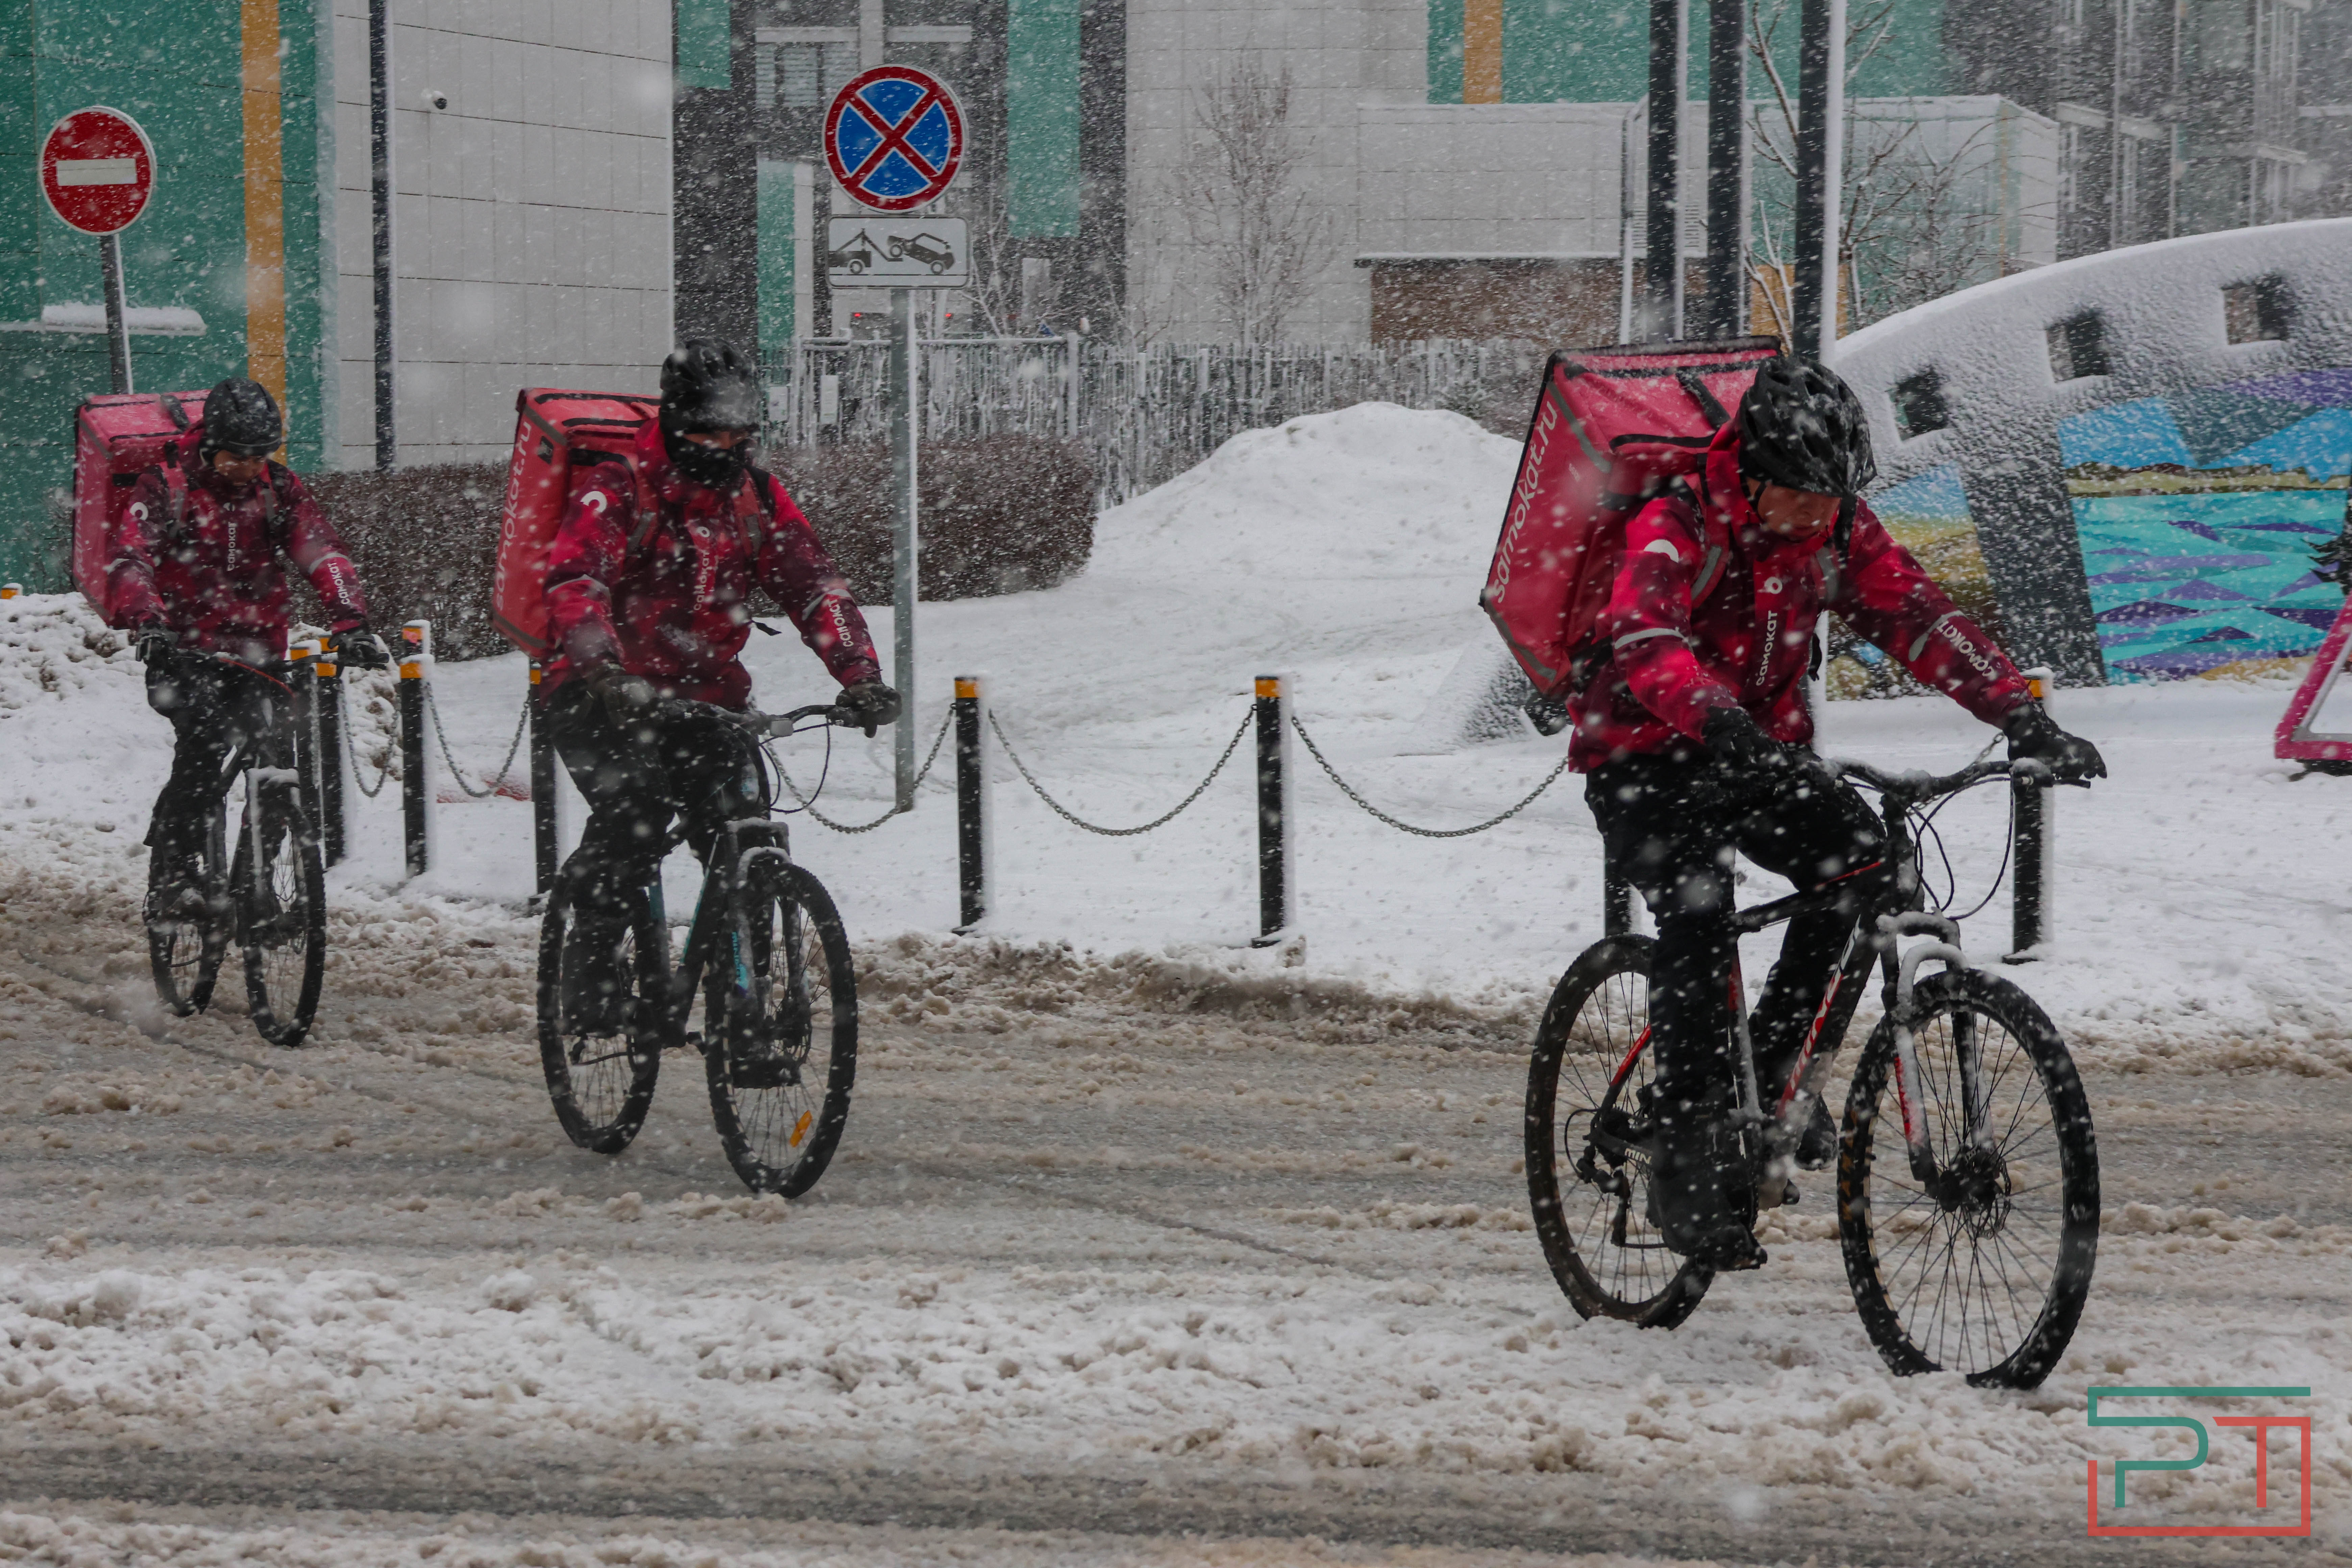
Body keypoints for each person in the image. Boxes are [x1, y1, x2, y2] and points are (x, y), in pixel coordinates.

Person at [1566, 357, 2105, 1270]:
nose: (1825, 520)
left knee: (1861, 863)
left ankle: (1775, 1072)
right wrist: (1714, 716)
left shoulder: (1831, 528)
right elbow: (1647, 640)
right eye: (1807, 500)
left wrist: (2019, 713)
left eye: (1836, 502)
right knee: (1697, 907)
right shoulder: (1679, 520)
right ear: (1753, 472)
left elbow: (1919, 617)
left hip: (1757, 752)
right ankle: (1691, 1141)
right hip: (1642, 756)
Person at [542, 339, 898, 1050]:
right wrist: (606, 670)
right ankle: (589, 976)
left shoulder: (755, 496)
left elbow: (811, 582)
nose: (727, 447)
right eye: (710, 433)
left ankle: (746, 1008)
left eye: (740, 433)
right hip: (599, 694)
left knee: (744, 838)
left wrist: (859, 673)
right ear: (675, 426)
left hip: (709, 702)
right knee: (636, 814)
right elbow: (576, 581)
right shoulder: (617, 485)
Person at [109, 377, 385, 919]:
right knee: (204, 749)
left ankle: (258, 882)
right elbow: (130, 559)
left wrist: (351, 620)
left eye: (260, 456)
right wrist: (148, 623)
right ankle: (176, 876)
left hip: (262, 650)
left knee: (279, 760)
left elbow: (321, 552)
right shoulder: (166, 485)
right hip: (181, 651)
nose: (248, 468)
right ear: (211, 444)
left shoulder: (276, 488)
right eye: (238, 458)